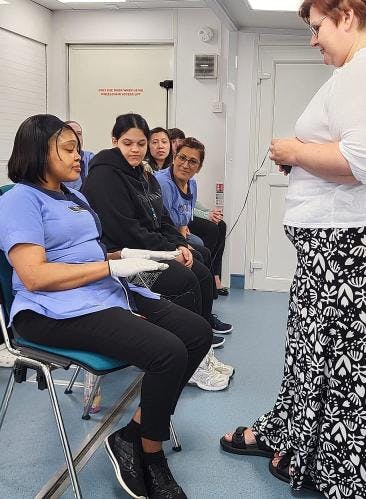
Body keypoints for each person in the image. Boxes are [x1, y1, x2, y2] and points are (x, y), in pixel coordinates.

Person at [221, 0, 366, 499]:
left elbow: (364, 162)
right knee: (313, 357)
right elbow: (353, 152)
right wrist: (308, 164)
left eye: (317, 27)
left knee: (350, 375)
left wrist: (293, 152)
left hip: (357, 242)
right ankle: (297, 445)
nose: (313, 40)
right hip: (345, 239)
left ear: (348, 16)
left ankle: (339, 482)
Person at [0, 114, 214, 499]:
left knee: (197, 333)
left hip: (101, 291)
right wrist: (110, 266)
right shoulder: (20, 200)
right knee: (167, 352)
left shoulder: (73, 195)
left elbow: (91, 253)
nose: (78, 156)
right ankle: (151, 453)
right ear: (37, 152)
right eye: (67, 149)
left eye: (77, 148)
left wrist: (135, 254)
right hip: (51, 310)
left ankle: (131, 434)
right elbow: (34, 276)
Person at [81, 114, 233, 385]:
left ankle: (199, 353)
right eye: (128, 143)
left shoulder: (144, 176)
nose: (136, 150)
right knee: (185, 279)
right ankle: (189, 359)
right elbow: (126, 231)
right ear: (115, 141)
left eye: (141, 143)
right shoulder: (104, 176)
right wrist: (171, 251)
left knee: (198, 264)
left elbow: (162, 219)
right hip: (123, 260)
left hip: (149, 250)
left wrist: (180, 244)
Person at [155, 138, 229, 296]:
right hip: (162, 238)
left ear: (199, 167)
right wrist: (182, 245)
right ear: (174, 158)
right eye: (182, 158)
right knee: (198, 256)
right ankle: (199, 307)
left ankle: (208, 307)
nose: (185, 165)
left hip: (177, 235)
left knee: (205, 252)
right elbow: (164, 225)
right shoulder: (164, 183)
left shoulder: (192, 184)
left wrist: (183, 236)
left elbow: (185, 218)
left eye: (193, 161)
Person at [62, 120, 94, 190]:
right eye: (71, 133)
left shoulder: (90, 158)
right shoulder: (60, 160)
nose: (76, 137)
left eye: (79, 133)